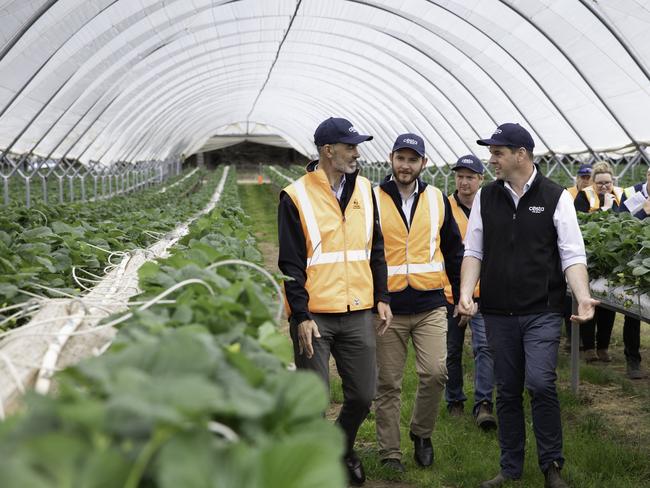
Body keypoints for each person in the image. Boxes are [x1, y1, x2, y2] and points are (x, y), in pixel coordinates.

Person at [458, 123, 598, 488]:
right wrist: (466, 292)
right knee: (507, 389)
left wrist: (582, 296)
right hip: (498, 311)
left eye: (498, 153)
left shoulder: (555, 196)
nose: (492, 160)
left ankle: (552, 466)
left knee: (539, 383)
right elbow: (474, 250)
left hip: (542, 310)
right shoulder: (487, 198)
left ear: (521, 154)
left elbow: (572, 254)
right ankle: (510, 468)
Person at [277, 117, 393, 486]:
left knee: (362, 394)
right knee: (315, 400)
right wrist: (300, 314)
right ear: (329, 151)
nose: (357, 152)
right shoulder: (295, 195)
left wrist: (382, 297)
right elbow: (290, 264)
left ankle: (340, 446)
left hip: (357, 310)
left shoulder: (367, 191)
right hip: (315, 316)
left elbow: (376, 250)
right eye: (350, 146)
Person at [372, 133, 464, 474]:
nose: (405, 165)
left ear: (423, 163)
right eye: (401, 158)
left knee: (436, 373)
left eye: (413, 159)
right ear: (391, 159)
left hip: (430, 303)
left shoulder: (437, 199)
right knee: (388, 383)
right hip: (388, 307)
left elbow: (454, 251)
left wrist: (460, 295)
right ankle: (390, 452)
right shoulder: (371, 199)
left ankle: (421, 434)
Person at [443, 155, 497, 430]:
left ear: (480, 179)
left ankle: (484, 404)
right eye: (460, 176)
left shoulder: (488, 206)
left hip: (483, 291)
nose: (464, 182)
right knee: (451, 349)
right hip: (450, 292)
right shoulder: (443, 207)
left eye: (470, 177)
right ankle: (454, 399)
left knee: (484, 347)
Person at [574, 161, 627, 363]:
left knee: (608, 303)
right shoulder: (583, 197)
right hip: (589, 259)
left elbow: (626, 222)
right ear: (593, 183)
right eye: (600, 183)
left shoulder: (620, 198)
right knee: (589, 299)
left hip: (612, 260)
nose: (604, 186)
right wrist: (603, 209)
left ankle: (603, 347)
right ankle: (588, 347)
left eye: (607, 182)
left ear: (612, 181)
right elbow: (578, 222)